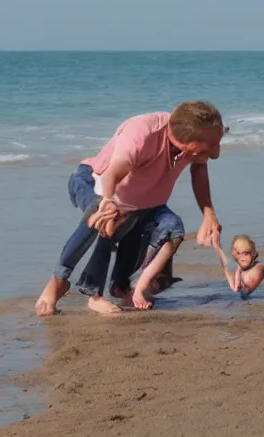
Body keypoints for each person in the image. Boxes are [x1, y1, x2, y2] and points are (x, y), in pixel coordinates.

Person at [35, 101, 226, 315]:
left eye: (219, 141)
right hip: (95, 183)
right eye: (212, 144)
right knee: (106, 216)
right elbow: (113, 173)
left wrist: (208, 213)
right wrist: (108, 201)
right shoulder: (143, 133)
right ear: (187, 140)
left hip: (142, 200)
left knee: (170, 226)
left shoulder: (195, 146)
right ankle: (65, 284)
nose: (216, 151)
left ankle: (121, 287)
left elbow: (199, 171)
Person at [214, 235, 264, 299]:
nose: (242, 258)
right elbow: (235, 286)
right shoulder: (239, 270)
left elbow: (239, 287)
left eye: (246, 253)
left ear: (253, 253)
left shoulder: (259, 267)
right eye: (238, 254)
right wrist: (218, 247)